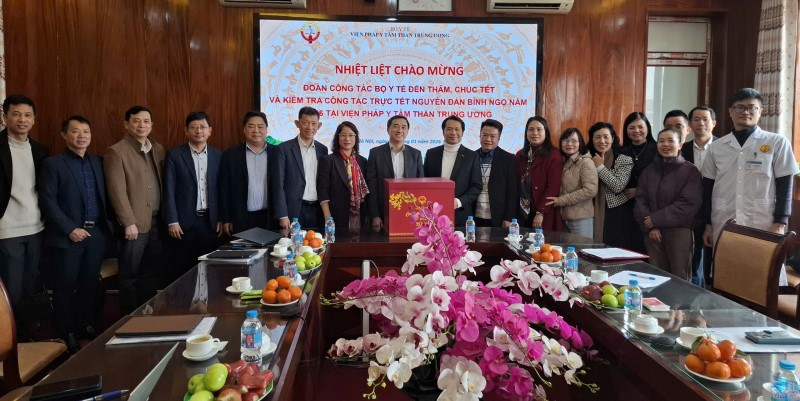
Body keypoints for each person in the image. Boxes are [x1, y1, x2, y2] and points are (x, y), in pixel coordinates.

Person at [702, 88, 799, 285]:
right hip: (724, 218)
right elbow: (707, 187)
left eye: (751, 108)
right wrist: (707, 224)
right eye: (740, 107)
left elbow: (785, 184)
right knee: (727, 274)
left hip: (763, 221)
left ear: (760, 111)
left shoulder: (776, 142)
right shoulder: (716, 147)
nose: (745, 112)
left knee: (762, 274)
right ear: (730, 111)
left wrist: (780, 221)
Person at [39, 115, 112, 353]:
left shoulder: (98, 161)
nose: (81, 136)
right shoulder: (53, 164)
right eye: (75, 131)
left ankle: (85, 325)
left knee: (89, 284)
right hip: (67, 237)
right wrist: (69, 229)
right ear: (64, 135)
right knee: (65, 286)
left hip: (95, 235)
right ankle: (66, 332)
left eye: (86, 132)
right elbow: (47, 201)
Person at [104, 105, 165, 315]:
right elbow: (116, 191)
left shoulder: (157, 149)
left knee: (151, 272)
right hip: (134, 225)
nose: (142, 125)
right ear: (126, 124)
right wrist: (128, 222)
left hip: (156, 222)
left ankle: (148, 314)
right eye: (136, 121)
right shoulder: (116, 151)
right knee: (129, 275)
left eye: (146, 121)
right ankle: (129, 318)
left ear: (151, 125)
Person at [0, 94, 48, 339]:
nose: (22, 119)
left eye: (28, 115)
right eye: (16, 114)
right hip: (7, 228)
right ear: (5, 117)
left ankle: (27, 335)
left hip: (36, 227)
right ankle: (11, 340)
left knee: (31, 285)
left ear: (33, 119)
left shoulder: (40, 150)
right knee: (13, 288)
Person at [634, 128, 702, 281]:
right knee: (656, 276)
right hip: (652, 233)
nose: (665, 144)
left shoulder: (690, 171)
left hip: (679, 231)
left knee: (679, 277)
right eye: (661, 141)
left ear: (680, 144)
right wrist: (651, 226)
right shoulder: (649, 171)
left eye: (671, 140)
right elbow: (640, 200)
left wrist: (655, 219)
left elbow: (688, 204)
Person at [164, 111, 221, 281]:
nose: (199, 131)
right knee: (184, 270)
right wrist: (172, 221)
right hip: (183, 223)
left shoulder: (217, 155)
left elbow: (222, 189)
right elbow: (169, 189)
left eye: (203, 127)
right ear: (186, 130)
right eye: (194, 127)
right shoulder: (175, 155)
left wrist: (221, 217)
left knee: (210, 269)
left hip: (210, 222)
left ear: (210, 130)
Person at [219, 111, 277, 235]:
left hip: (270, 218)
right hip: (241, 218)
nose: (256, 130)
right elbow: (224, 189)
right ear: (244, 129)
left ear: (267, 129)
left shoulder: (277, 153)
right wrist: (226, 218)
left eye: (260, 127)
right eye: (251, 126)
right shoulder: (230, 154)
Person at [274, 107, 328, 230]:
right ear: (297, 124)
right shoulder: (284, 149)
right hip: (294, 211)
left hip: (317, 210)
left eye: (314, 123)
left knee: (317, 241)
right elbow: (278, 183)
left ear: (319, 126)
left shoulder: (323, 150)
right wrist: (283, 215)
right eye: (305, 122)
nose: (310, 127)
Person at [366, 115, 424, 229]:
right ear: (388, 129)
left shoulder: (416, 154)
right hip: (383, 210)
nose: (399, 130)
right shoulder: (375, 153)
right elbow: (372, 186)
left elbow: (420, 186)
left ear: (407, 131)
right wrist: (375, 215)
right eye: (395, 126)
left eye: (403, 127)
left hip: (410, 211)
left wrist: (419, 213)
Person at [424, 115, 482, 227]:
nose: (453, 132)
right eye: (449, 129)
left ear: (462, 132)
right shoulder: (431, 154)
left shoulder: (472, 156)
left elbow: (476, 186)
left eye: (457, 129)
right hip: (434, 214)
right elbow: (425, 181)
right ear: (443, 131)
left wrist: (458, 202)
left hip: (460, 214)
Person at [682, 106, 717, 287]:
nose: (701, 123)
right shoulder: (683, 149)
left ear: (714, 123)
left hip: (717, 206)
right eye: (696, 119)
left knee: (715, 256)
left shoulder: (723, 147)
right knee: (695, 256)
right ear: (690, 124)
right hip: (692, 210)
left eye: (705, 119)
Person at [546, 128, 597, 238]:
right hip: (563, 218)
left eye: (574, 141)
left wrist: (561, 200)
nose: (569, 144)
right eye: (565, 140)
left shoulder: (586, 162)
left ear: (580, 143)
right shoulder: (562, 161)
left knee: (582, 248)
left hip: (581, 219)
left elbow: (590, 190)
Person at [318, 122, 369, 232]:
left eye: (351, 135)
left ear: (356, 138)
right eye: (343, 135)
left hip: (359, 215)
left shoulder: (363, 161)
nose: (347, 139)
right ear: (338, 137)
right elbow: (323, 190)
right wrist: (328, 217)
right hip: (336, 215)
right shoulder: (328, 160)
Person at [588, 122, 633, 244]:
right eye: (597, 137)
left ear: (612, 139)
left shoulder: (624, 160)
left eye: (606, 137)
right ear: (592, 140)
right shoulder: (587, 159)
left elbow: (617, 186)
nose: (602, 141)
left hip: (616, 212)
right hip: (590, 209)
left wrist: (600, 167)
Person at [618, 112, 656, 253]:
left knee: (645, 248)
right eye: (632, 127)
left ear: (648, 128)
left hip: (648, 206)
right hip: (624, 207)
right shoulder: (621, 151)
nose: (636, 131)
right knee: (626, 247)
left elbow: (660, 180)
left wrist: (638, 191)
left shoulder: (656, 149)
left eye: (640, 127)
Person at [515, 116, 562, 230]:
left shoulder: (553, 155)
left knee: (541, 241)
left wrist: (540, 212)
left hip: (541, 211)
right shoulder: (520, 155)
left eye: (539, 129)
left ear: (546, 132)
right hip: (521, 211)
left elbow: (553, 187)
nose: (535, 133)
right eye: (531, 129)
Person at [473, 119, 518, 228]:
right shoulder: (471, 157)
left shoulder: (508, 159)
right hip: (473, 215)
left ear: (499, 138)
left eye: (493, 136)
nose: (488, 139)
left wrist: (508, 217)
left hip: (498, 216)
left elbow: (513, 191)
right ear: (479, 136)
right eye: (485, 135)